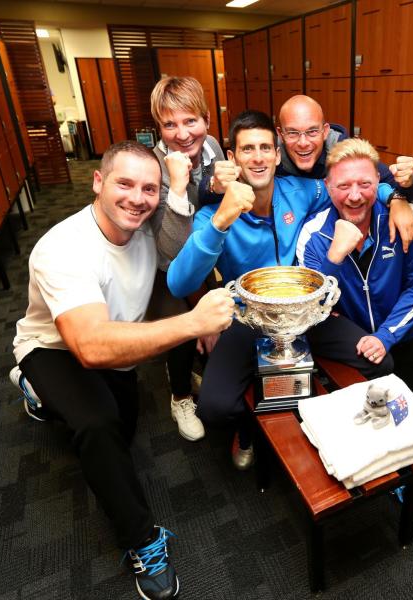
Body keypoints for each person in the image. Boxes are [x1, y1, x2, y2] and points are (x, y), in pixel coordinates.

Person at [10, 140, 236, 600]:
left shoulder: (148, 227)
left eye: (149, 188)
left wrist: (201, 312)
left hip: (116, 344)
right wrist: (193, 323)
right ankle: (143, 541)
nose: (137, 198)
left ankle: (60, 400)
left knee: (124, 429)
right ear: (98, 181)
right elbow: (90, 347)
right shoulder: (63, 248)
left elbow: (179, 271)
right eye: (125, 183)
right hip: (56, 346)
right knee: (96, 425)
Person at [166, 110, 393, 469]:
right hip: (247, 319)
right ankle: (249, 428)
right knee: (213, 408)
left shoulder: (302, 190)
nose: (257, 157)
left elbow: (350, 182)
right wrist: (223, 220)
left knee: (378, 359)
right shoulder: (212, 216)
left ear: (276, 154)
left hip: (304, 312)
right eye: (247, 149)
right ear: (232, 158)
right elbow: (178, 282)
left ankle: (338, 424)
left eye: (265, 148)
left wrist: (395, 198)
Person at [297, 138, 413, 405]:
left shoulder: (409, 218)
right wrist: (334, 257)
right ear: (328, 187)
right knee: (361, 414)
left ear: (379, 182)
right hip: (356, 338)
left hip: (404, 330)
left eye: (365, 184)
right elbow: (312, 305)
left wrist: (385, 336)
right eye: (343, 186)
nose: (354, 195)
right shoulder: (312, 235)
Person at [202, 94, 413, 252]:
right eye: (293, 133)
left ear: (325, 131)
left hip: (338, 240)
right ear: (280, 134)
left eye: (312, 132)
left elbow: (383, 182)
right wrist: (213, 185)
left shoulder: (344, 154)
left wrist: (399, 198)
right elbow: (215, 192)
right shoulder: (266, 157)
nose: (303, 143)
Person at [146, 76, 224, 443]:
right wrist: (177, 186)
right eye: (169, 124)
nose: (182, 134)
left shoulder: (213, 149)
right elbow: (171, 254)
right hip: (161, 265)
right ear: (158, 128)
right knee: (180, 322)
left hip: (201, 254)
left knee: (225, 313)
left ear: (207, 119)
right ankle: (179, 395)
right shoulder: (154, 168)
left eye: (190, 120)